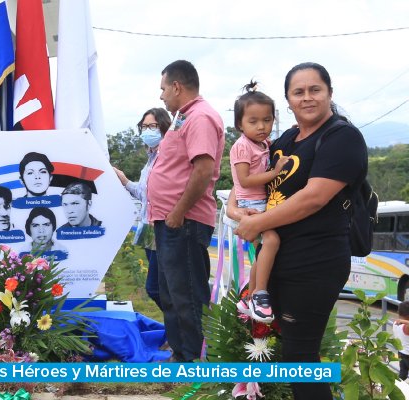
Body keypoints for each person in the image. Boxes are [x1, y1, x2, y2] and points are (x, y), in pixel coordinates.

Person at [231, 62, 367, 399]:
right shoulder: (286, 140)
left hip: (314, 262)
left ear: (329, 93)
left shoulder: (341, 137)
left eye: (315, 90)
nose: (307, 98)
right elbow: (246, 182)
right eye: (298, 92)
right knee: (293, 353)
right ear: (288, 101)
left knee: (301, 357)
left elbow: (314, 198)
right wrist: (237, 211)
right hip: (279, 258)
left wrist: (258, 223)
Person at [147, 60, 224, 362]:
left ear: (177, 86)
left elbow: (203, 170)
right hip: (171, 221)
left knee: (188, 293)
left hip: (184, 221)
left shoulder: (201, 118)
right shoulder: (185, 117)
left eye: (163, 88)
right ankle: (181, 352)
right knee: (170, 292)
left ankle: (196, 358)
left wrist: (178, 211)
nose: (162, 95)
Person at [228, 83, 289, 324]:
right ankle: (259, 294)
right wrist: (275, 172)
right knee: (272, 241)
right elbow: (244, 179)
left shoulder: (262, 144)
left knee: (264, 251)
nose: (262, 126)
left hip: (261, 202)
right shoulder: (242, 146)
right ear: (240, 124)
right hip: (251, 203)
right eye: (253, 121)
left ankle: (249, 296)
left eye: (267, 120)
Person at [113, 107, 172, 311]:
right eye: (144, 126)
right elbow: (145, 193)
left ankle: (180, 333)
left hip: (161, 226)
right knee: (159, 287)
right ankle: (174, 333)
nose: (147, 130)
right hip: (148, 227)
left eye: (152, 126)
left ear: (164, 127)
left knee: (157, 288)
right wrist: (125, 181)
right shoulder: (151, 157)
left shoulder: (168, 156)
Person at [394, 301, 409, 381]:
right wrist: (404, 321)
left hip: (401, 353)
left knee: (403, 374)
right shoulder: (406, 327)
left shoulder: (396, 323)